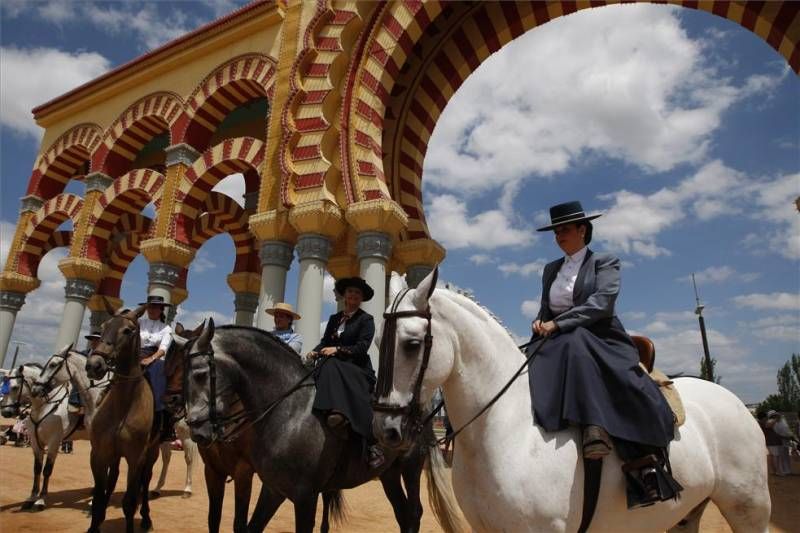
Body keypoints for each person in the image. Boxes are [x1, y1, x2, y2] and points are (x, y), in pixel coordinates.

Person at [527, 201, 682, 509]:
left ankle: (627, 451)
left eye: (565, 230)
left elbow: (602, 303)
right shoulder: (550, 270)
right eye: (556, 231)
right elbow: (547, 308)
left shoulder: (604, 261)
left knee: (578, 344)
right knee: (530, 356)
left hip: (600, 335)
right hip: (559, 337)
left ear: (582, 230)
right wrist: (539, 322)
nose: (559, 236)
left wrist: (559, 323)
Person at [307, 277, 383, 469]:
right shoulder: (334, 319)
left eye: (357, 293)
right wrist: (315, 350)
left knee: (330, 365)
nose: (353, 295)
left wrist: (337, 351)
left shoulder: (366, 320)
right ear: (344, 295)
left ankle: (368, 440)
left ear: (362, 298)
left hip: (356, 367)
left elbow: (362, 347)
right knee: (311, 370)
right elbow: (325, 342)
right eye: (350, 291)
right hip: (331, 363)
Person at [138, 295, 174, 442]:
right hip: (134, 354)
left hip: (154, 358)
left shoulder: (166, 328)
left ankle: (161, 420)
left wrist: (150, 359)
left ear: (161, 310)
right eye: (150, 306)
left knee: (158, 375)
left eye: (155, 307)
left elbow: (163, 349)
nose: (152, 309)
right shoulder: (139, 322)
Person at [62, 331, 102, 453]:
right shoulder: (84, 354)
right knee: (75, 387)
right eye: (92, 340)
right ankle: (75, 409)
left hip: (98, 383)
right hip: (82, 385)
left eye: (97, 340)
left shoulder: (104, 357)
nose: (94, 342)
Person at [758, 411, 782, 475]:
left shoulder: (759, 422)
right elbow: (768, 425)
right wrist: (776, 419)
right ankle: (777, 471)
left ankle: (774, 471)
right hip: (772, 441)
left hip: (768, 441)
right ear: (763, 417)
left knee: (771, 456)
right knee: (775, 456)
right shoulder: (763, 422)